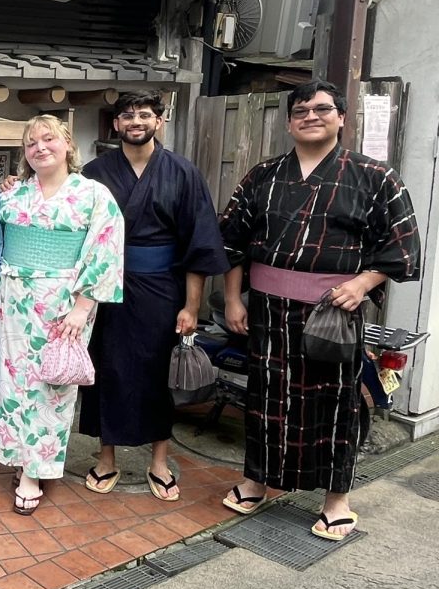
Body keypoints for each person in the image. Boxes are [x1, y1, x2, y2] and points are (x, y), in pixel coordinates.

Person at [219, 80, 419, 540]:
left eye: (322, 109)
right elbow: (232, 242)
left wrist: (365, 282)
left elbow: (401, 245)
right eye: (302, 110)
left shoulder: (375, 177)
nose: (311, 116)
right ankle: (257, 480)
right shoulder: (263, 175)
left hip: (333, 311)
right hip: (268, 308)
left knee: (334, 403)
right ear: (289, 121)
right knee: (266, 398)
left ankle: (336, 500)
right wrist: (233, 298)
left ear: (342, 117)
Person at [79, 91, 229, 500]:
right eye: (127, 115)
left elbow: (198, 244)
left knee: (158, 374)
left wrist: (192, 305)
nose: (136, 121)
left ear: (159, 121)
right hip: (104, 286)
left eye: (144, 114)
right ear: (115, 124)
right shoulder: (94, 172)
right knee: (104, 370)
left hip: (162, 287)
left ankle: (159, 460)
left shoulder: (182, 172)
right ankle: (105, 457)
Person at [0, 115, 123, 515]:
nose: (40, 148)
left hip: (63, 306)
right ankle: (20, 456)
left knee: (51, 385)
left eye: (49, 139)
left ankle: (36, 470)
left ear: (67, 143)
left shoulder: (93, 194)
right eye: (31, 143)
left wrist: (84, 308)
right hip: (13, 303)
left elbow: (105, 250)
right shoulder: (13, 196)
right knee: (13, 382)